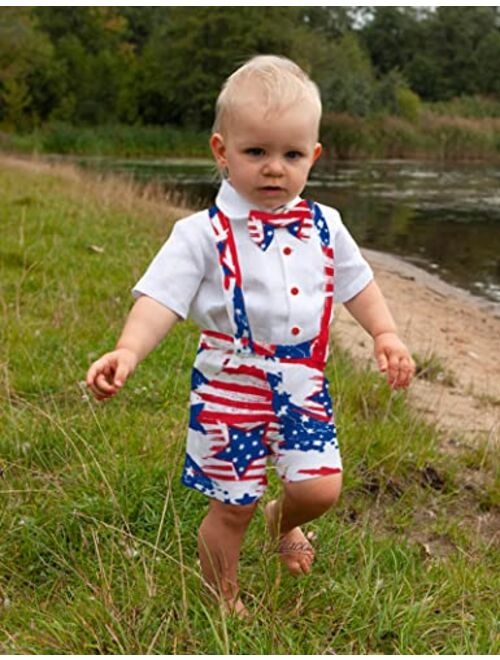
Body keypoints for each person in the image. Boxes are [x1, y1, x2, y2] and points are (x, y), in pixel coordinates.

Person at [86, 55, 415, 616]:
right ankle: (224, 600)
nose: (273, 168)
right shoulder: (200, 235)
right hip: (230, 388)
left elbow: (358, 284)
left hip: (302, 384)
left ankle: (281, 519)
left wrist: (384, 333)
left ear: (313, 156)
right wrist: (128, 349)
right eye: (255, 152)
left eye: (290, 155)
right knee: (230, 508)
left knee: (320, 488)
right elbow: (161, 299)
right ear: (222, 152)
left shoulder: (325, 225)